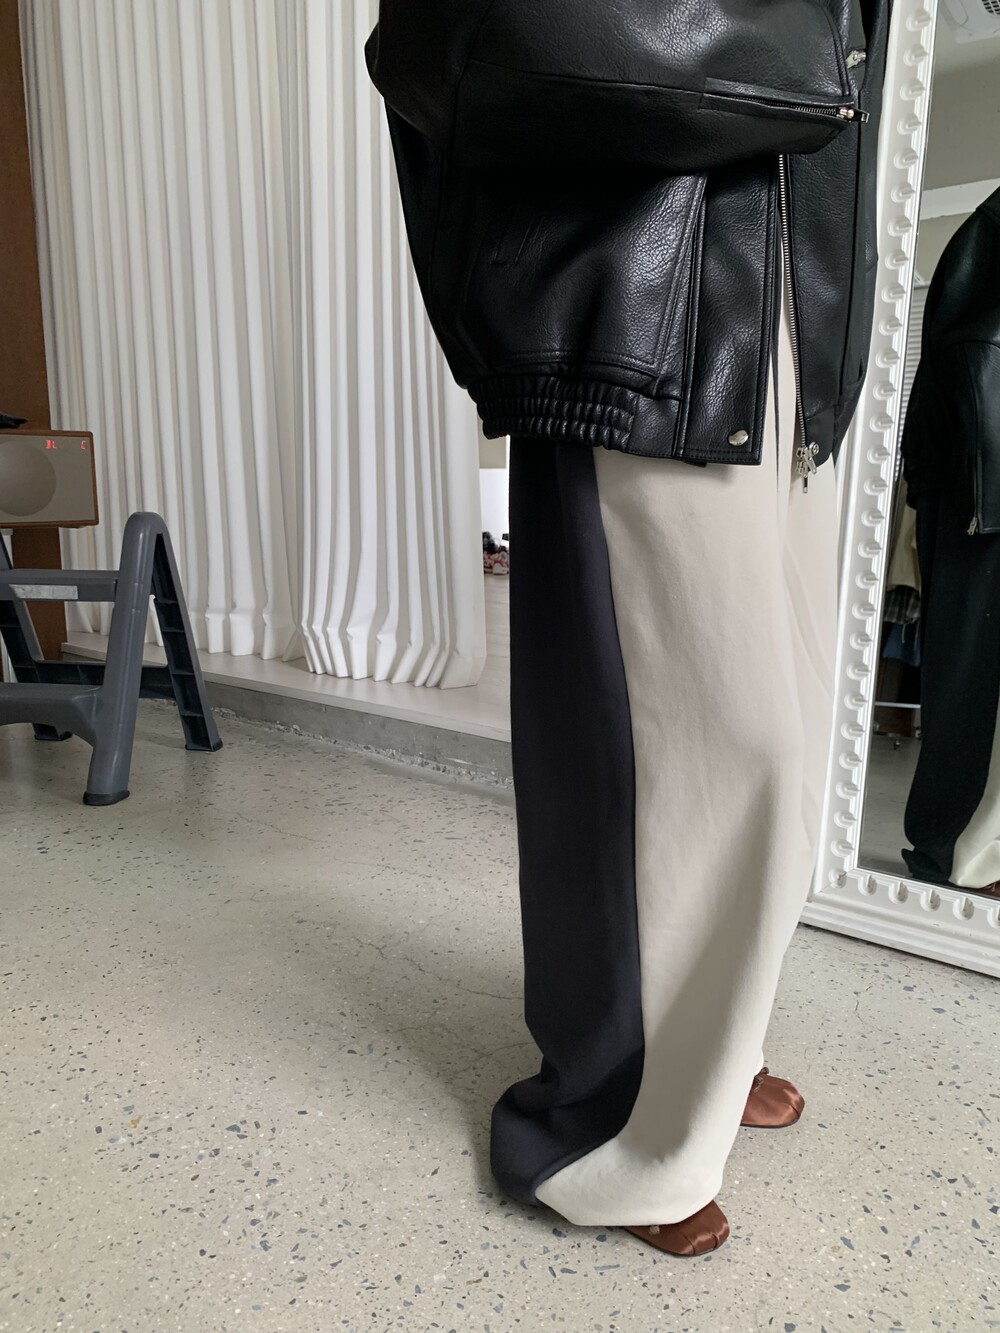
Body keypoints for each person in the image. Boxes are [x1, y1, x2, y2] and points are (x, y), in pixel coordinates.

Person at [367, 0, 890, 1255]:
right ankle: (605, 1123)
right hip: (646, 301)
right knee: (672, 747)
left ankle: (708, 1051)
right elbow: (444, 48)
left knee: (777, 732)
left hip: (788, 303)